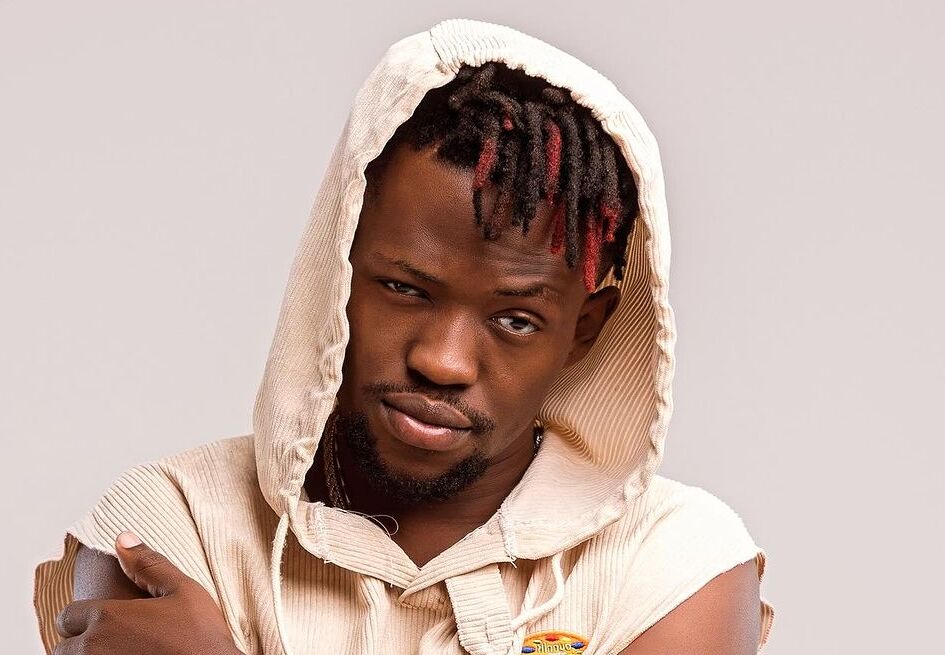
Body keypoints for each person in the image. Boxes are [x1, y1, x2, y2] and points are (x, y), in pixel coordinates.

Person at [35, 18, 774, 655]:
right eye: (404, 289)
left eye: (515, 320)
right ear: (338, 268)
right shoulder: (174, 521)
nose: (442, 361)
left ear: (583, 331)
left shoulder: (674, 563)